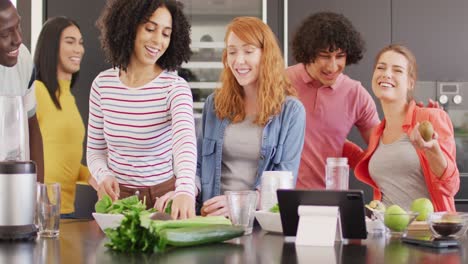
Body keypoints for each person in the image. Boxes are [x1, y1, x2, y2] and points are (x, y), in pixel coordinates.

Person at [87, 0, 196, 219]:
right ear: (129, 26)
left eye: (166, 34)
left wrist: (185, 189)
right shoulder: (102, 84)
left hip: (162, 201)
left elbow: (184, 142)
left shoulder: (174, 87)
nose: (158, 41)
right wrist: (104, 176)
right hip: (117, 202)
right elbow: (95, 150)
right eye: (150, 29)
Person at [196, 17, 306, 216]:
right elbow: (198, 164)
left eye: (248, 51)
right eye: (232, 52)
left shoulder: (291, 111)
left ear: (266, 55)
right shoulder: (214, 104)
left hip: (259, 222)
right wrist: (185, 191)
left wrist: (239, 203)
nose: (239, 61)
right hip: (213, 219)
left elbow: (284, 180)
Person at [354, 44, 459, 211]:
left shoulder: (430, 118)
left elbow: (451, 186)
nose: (386, 74)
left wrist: (432, 150)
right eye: (381, 67)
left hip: (426, 233)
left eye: (397, 70)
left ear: (410, 82)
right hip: (387, 232)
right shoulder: (377, 132)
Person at [286, 12, 380, 189]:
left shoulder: (356, 94)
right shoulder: (281, 82)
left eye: (339, 56)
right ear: (308, 53)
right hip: (281, 200)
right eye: (324, 56)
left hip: (333, 201)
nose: (332, 66)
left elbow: (383, 151)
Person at [34, 17, 95, 218]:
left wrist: (93, 176)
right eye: (70, 42)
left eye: (80, 42)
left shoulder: (68, 98)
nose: (79, 49)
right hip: (41, 209)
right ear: (51, 46)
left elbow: (63, 160)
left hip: (65, 209)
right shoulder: (37, 92)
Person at [0, 0, 44, 182]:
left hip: (12, 182)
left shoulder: (23, 58)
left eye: (18, 26)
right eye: (5, 33)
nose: (18, 39)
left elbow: (32, 125)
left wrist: (38, 194)